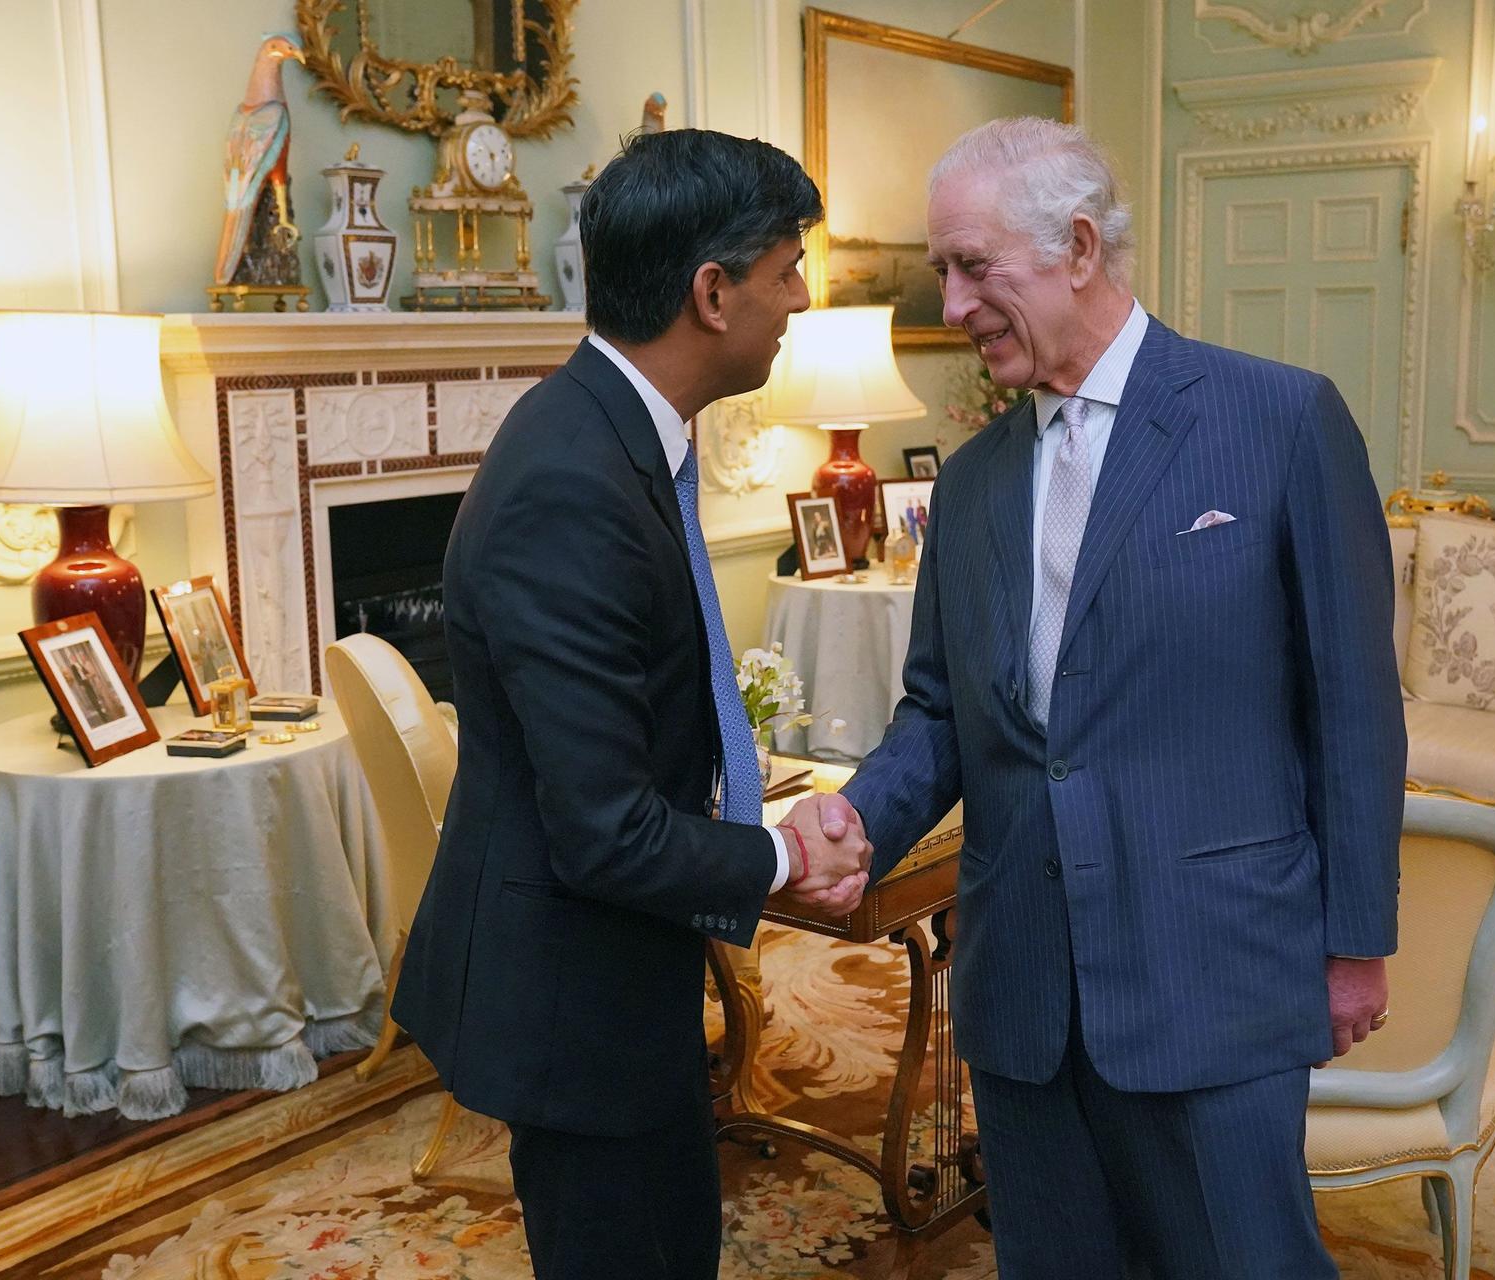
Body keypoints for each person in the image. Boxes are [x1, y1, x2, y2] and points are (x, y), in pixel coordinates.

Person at [797, 117, 1406, 1278]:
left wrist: (1354, 944)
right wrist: (861, 821)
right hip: (1025, 993)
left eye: (975, 266)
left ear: (1079, 246)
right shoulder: (969, 481)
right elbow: (939, 710)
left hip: (1212, 976)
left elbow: (1356, 710)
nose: (953, 299)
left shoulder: (1276, 422)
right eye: (942, 269)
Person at [391, 128, 871, 1280]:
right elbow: (605, 830)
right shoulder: (575, 478)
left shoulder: (614, 433)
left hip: (615, 975)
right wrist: (775, 859)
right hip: (572, 995)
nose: (799, 297)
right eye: (785, 269)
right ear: (712, 293)